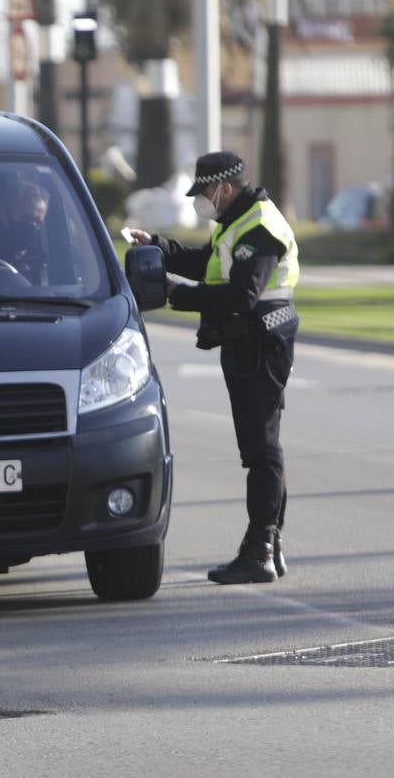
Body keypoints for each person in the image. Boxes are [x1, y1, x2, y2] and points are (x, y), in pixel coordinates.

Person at [128, 151, 299, 584]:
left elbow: (241, 295)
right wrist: (159, 248)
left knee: (261, 450)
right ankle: (271, 546)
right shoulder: (237, 221)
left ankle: (259, 549)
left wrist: (177, 295)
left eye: (204, 191)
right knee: (262, 448)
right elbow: (206, 263)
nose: (201, 200)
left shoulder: (258, 226)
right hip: (252, 340)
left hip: (261, 340)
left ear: (223, 186)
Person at [0, 180, 49, 284]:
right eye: (26, 219)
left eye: (38, 222)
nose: (32, 226)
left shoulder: (39, 257)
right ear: (3, 213)